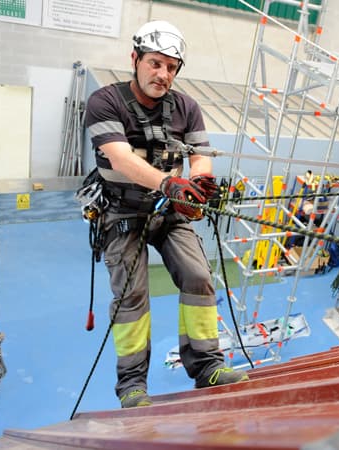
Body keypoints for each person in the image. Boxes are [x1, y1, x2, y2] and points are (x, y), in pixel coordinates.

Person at [83, 20, 248, 408]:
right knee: (131, 295)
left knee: (198, 276)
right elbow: (120, 158)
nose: (163, 74)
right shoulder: (105, 102)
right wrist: (169, 184)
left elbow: (200, 157)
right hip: (122, 211)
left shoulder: (186, 108)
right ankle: (132, 386)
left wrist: (200, 185)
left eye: (171, 67)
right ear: (135, 59)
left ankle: (206, 366)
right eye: (155, 63)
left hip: (169, 210)